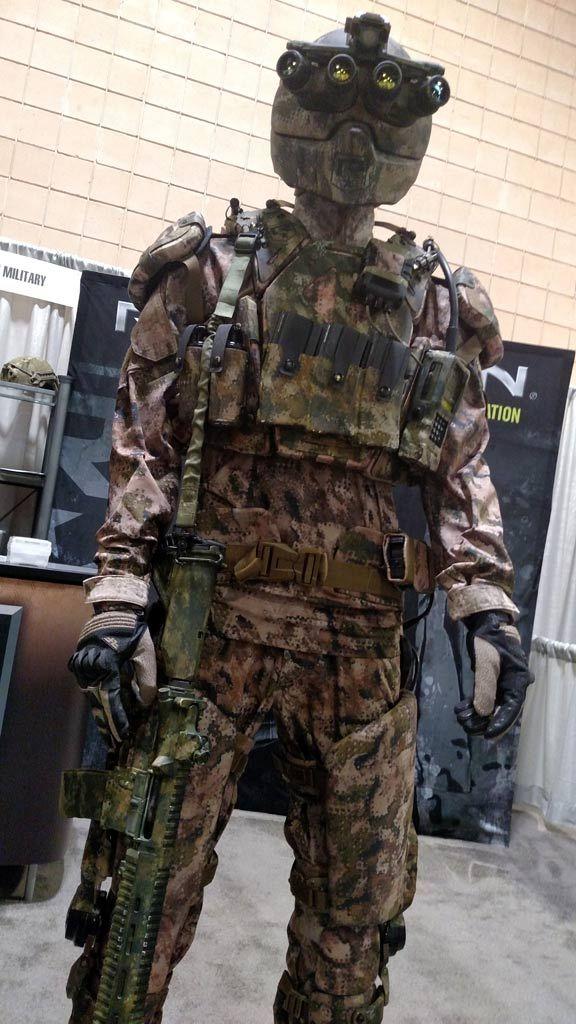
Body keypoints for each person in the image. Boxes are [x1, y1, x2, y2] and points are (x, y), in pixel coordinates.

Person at [68, 13, 532, 1023]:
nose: (355, 142)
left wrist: (484, 602)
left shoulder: (437, 304)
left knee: (353, 925)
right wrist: (119, 592)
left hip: (361, 646)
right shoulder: (208, 270)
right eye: (334, 109)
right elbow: (145, 439)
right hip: (211, 626)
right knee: (139, 900)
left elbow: (460, 467)